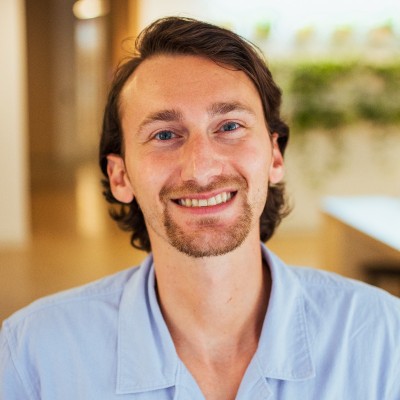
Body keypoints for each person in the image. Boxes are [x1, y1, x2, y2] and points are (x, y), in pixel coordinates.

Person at [1, 16, 399, 400]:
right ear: (121, 176)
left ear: (275, 157)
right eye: (164, 134)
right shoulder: (33, 355)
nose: (202, 167)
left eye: (229, 126)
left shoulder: (382, 338)